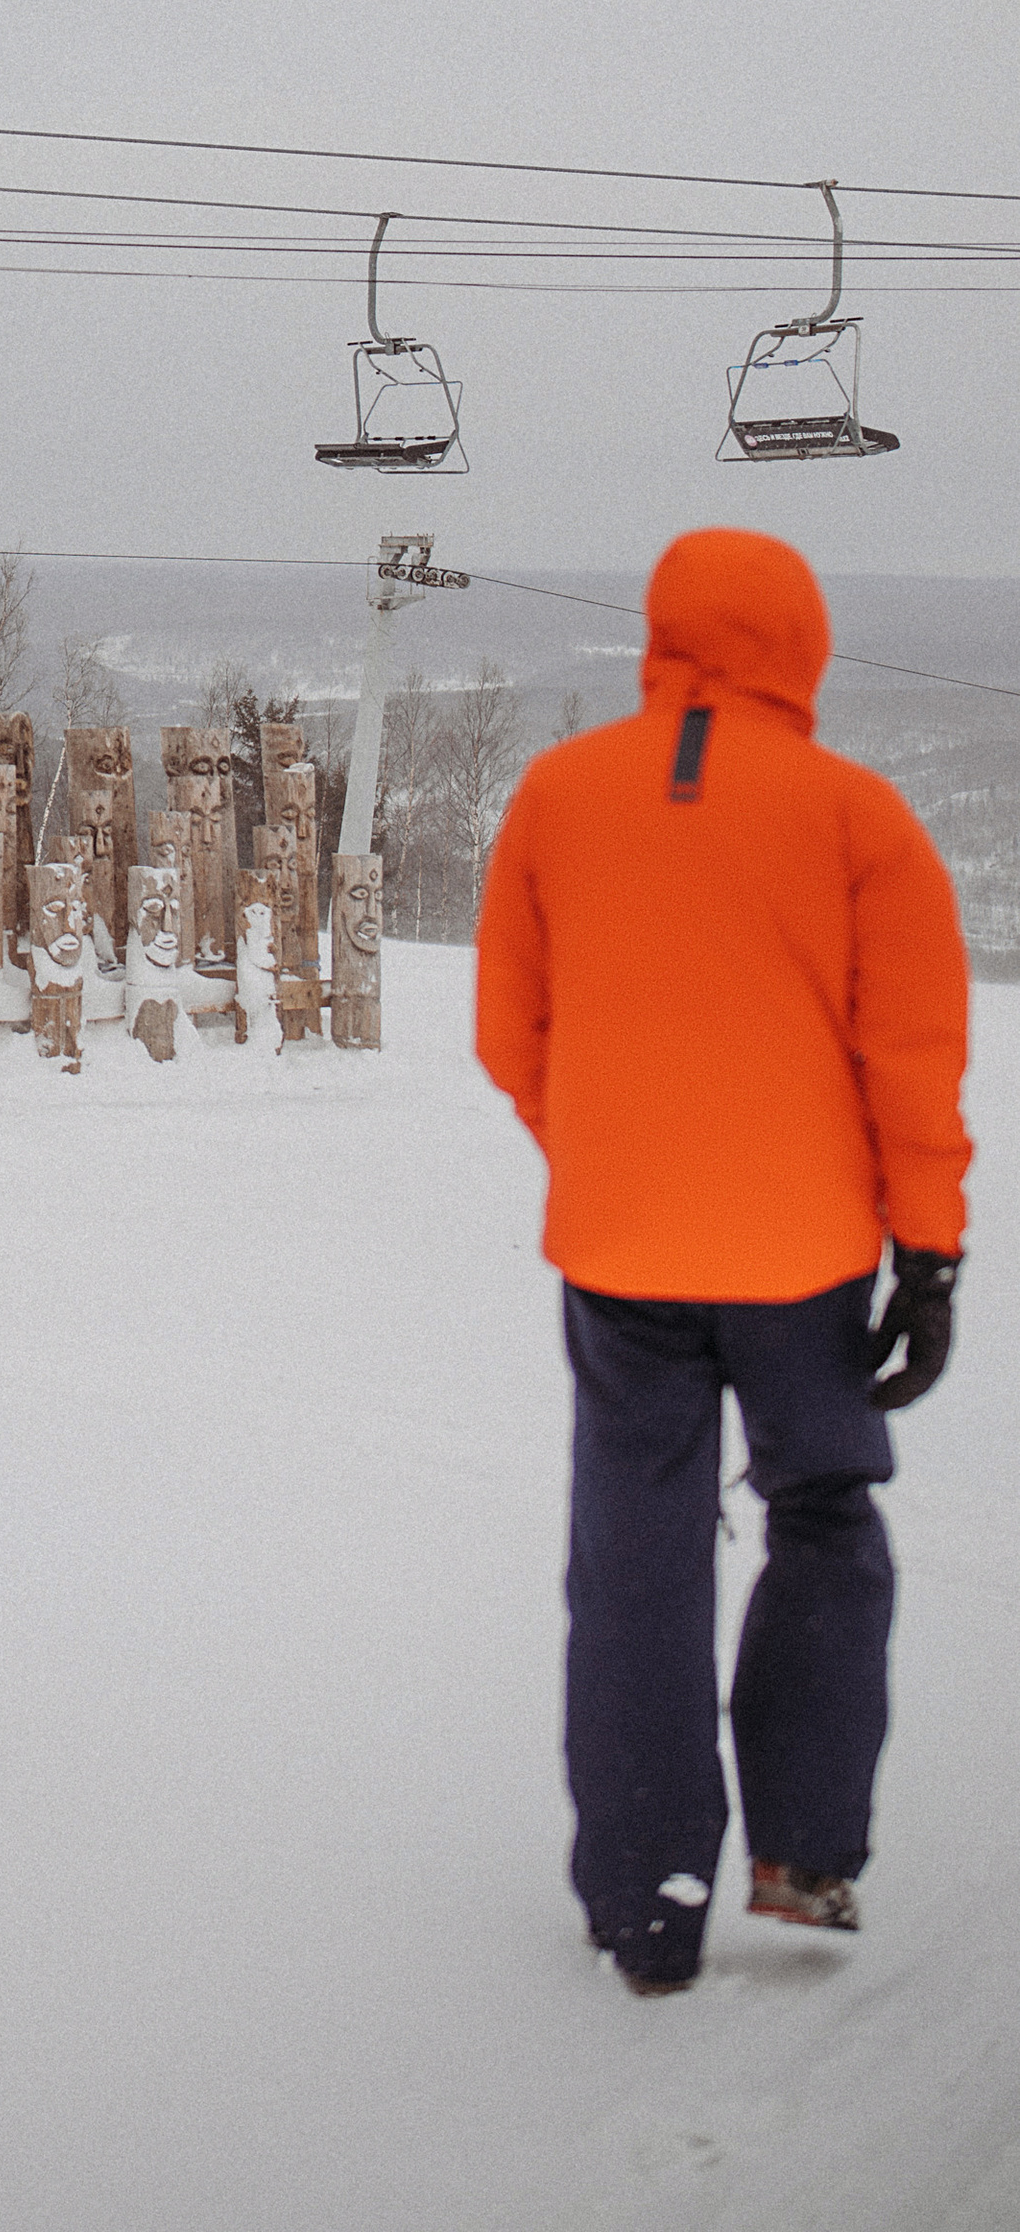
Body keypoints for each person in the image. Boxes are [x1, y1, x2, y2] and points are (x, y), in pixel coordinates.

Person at [476, 528, 970, 1994]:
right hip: (810, 1265)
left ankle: (645, 1900)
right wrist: (927, 1258)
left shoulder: (560, 797)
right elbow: (911, 1057)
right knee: (823, 1512)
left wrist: (603, 1148)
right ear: (802, 643)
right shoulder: (856, 816)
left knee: (635, 1555)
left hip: (622, 1255)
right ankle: (805, 1858)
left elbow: (512, 1031)